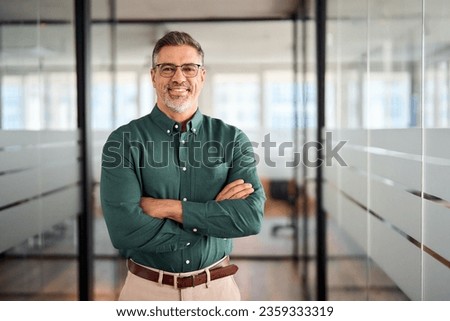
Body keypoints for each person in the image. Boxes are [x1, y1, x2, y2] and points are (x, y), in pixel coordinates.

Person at [100, 31, 266, 301]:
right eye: (167, 69)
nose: (178, 78)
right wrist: (212, 219)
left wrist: (169, 208)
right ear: (153, 76)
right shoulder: (124, 141)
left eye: (189, 68)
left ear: (202, 76)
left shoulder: (232, 139)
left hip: (218, 292)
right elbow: (125, 231)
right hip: (146, 292)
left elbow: (251, 218)